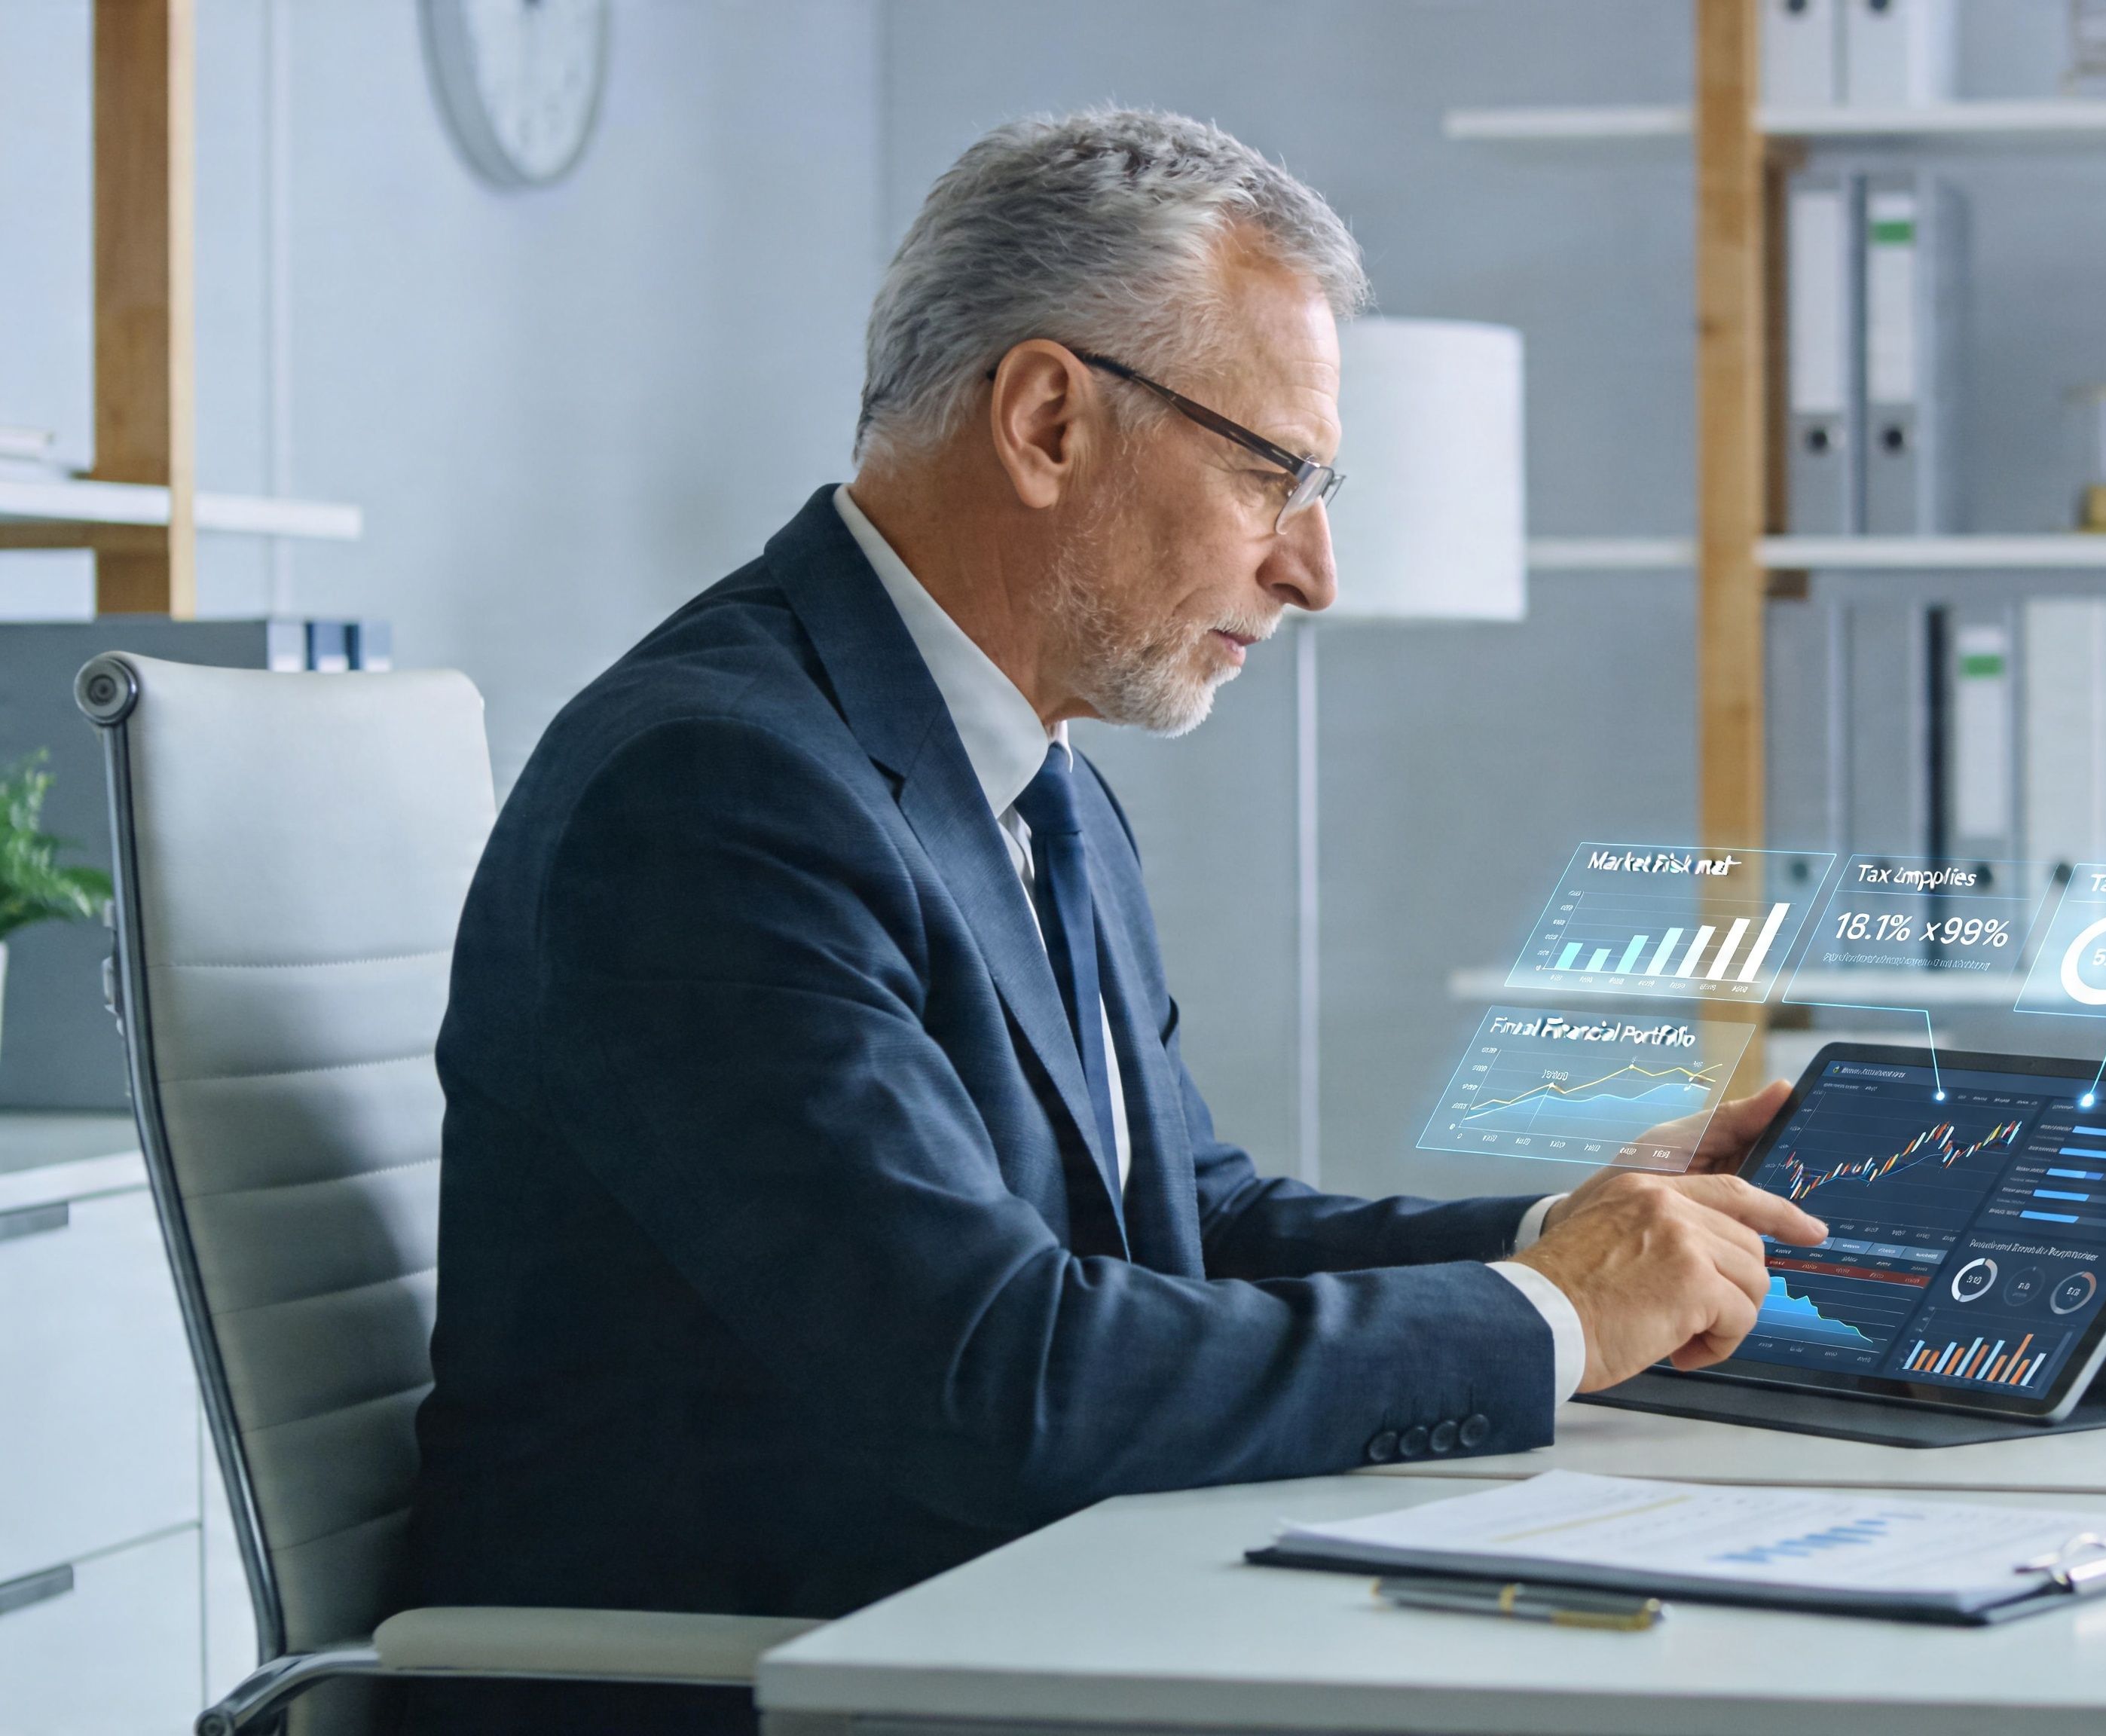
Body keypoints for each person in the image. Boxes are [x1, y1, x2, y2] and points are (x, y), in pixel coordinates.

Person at [399, 109, 1825, 1732]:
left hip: (996, 1620)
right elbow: (991, 1378)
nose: (1313, 570)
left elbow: (1183, 1225)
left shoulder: (1018, 763)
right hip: (757, 1683)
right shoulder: (720, 792)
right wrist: (1559, 1314)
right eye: (1268, 473)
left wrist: (1571, 1229)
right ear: (1049, 420)